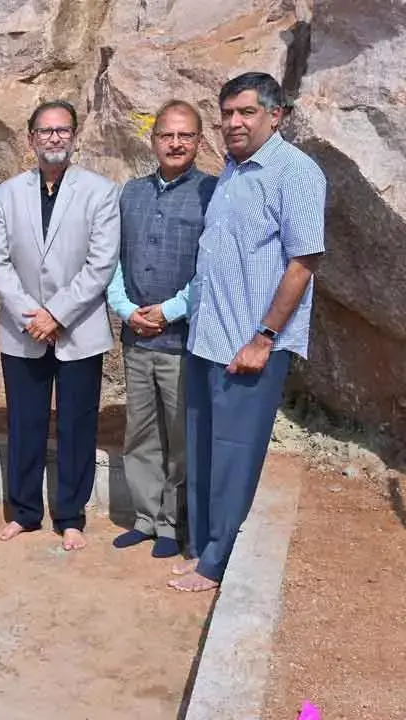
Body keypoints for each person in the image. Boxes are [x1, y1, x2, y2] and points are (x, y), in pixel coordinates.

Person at [172, 73, 326, 592]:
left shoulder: (296, 173)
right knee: (204, 448)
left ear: (274, 115)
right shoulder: (233, 173)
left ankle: (216, 562)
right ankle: (200, 549)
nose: (233, 123)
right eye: (228, 113)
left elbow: (302, 264)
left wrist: (263, 338)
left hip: (249, 346)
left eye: (246, 112)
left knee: (235, 451)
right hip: (207, 340)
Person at [0, 100, 121, 551]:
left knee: (76, 424)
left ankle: (70, 515)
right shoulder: (7, 193)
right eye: (45, 131)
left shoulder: (101, 191)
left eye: (63, 130)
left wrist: (57, 314)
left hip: (78, 328)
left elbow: (101, 263)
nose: (54, 138)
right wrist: (32, 314)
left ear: (75, 136)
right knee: (25, 422)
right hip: (23, 330)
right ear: (30, 139)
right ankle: (24, 512)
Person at [107, 100, 218, 559]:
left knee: (179, 437)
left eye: (185, 135)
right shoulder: (130, 193)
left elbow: (209, 269)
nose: (175, 143)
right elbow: (113, 260)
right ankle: (145, 518)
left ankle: (174, 524)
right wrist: (125, 309)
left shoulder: (212, 193)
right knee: (141, 432)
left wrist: (169, 311)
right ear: (152, 140)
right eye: (166, 135)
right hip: (135, 338)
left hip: (179, 342)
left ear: (197, 141)